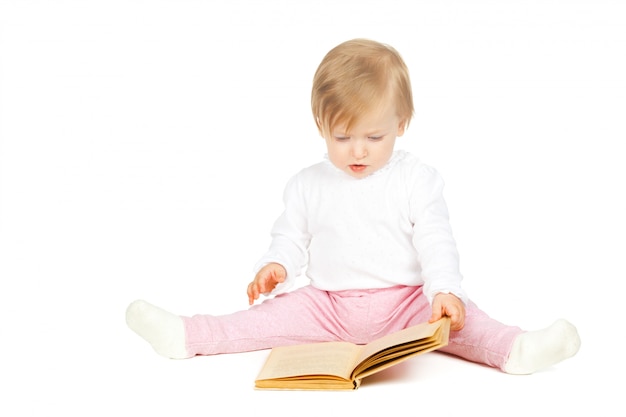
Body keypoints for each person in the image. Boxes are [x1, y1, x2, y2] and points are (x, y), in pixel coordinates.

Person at [126, 38, 580, 375]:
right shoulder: (307, 184)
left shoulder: (415, 178)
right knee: (259, 320)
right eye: (342, 137)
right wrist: (276, 265)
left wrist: (444, 289)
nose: (357, 151)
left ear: (401, 124)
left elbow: (435, 238)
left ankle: (516, 350)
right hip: (326, 304)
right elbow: (290, 236)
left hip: (407, 302)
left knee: (467, 322)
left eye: (374, 137)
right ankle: (185, 336)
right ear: (320, 125)